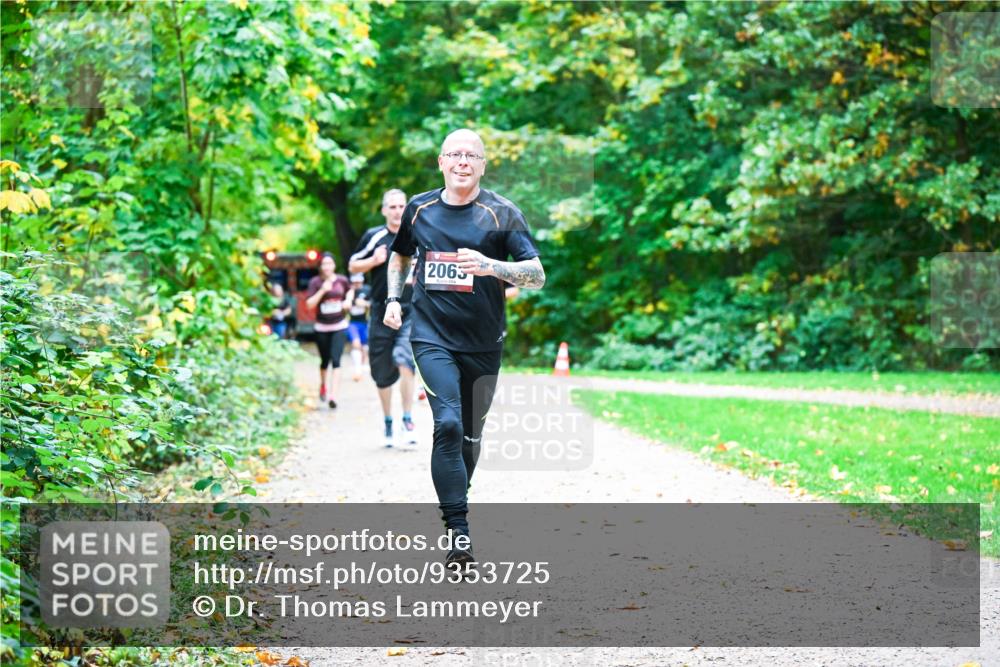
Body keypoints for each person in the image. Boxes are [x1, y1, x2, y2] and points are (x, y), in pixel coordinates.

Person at [383, 129, 545, 566]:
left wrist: (491, 266)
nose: (462, 162)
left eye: (471, 155)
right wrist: (394, 298)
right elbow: (399, 256)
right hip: (430, 335)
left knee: (471, 435)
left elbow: (537, 273)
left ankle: (458, 495)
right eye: (454, 154)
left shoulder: (502, 213)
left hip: (484, 342)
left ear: (483, 165)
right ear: (441, 162)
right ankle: (458, 532)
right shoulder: (419, 208)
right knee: (449, 425)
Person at [348, 189, 418, 447]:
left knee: (404, 359)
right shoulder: (374, 236)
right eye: (393, 207)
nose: (398, 211)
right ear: (384, 210)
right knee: (381, 372)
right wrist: (373, 261)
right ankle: (389, 421)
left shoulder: (417, 234)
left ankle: (408, 419)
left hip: (410, 310)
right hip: (380, 311)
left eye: (402, 206)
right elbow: (352, 265)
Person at [305, 253, 353, 409]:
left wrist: (348, 301)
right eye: (324, 264)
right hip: (321, 327)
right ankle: (323, 385)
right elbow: (309, 304)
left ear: (334, 265)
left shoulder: (341, 280)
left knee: (336, 360)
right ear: (320, 266)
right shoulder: (315, 282)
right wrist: (322, 291)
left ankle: (333, 396)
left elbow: (350, 290)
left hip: (339, 325)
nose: (327, 266)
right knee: (325, 361)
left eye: (329, 263)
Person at [347, 272, 371, 381]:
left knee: (365, 347)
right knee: (356, 344)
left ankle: (361, 367)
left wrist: (365, 304)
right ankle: (357, 370)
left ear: (362, 280)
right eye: (354, 281)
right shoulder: (348, 291)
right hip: (352, 323)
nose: (356, 283)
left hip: (365, 322)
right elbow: (344, 306)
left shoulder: (367, 290)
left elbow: (374, 303)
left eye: (358, 281)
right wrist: (350, 299)